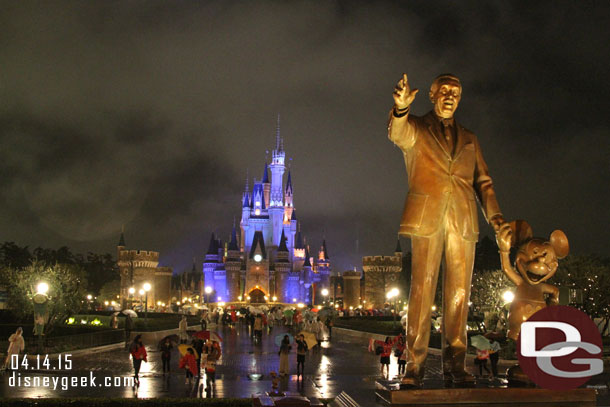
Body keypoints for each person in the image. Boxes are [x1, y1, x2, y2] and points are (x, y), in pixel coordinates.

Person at [389, 73, 508, 387]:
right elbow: (398, 134)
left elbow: (484, 183)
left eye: (456, 91)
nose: (450, 96)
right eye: (444, 91)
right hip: (427, 216)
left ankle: (456, 367)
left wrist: (496, 220)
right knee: (421, 291)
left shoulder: (470, 138)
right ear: (431, 95)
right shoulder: (417, 127)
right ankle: (413, 368)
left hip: (463, 219)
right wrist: (400, 109)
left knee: (458, 295)